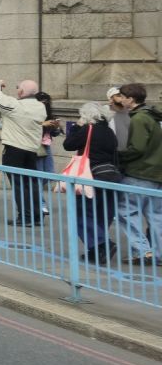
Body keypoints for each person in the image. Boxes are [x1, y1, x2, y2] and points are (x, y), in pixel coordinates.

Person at [0, 79, 48, 227]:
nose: (17, 90)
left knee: (19, 184)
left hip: (14, 149)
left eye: (18, 88)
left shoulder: (15, 106)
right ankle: (37, 216)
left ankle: (25, 217)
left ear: (21, 92)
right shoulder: (40, 107)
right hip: (31, 150)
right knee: (31, 183)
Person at [64, 102, 121, 265]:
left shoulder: (88, 129)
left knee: (82, 214)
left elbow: (68, 145)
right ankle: (97, 252)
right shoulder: (110, 132)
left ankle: (103, 244)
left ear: (87, 116)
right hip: (111, 175)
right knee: (102, 214)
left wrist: (76, 127)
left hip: (92, 176)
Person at [114, 83, 161, 265]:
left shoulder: (139, 119)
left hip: (140, 172)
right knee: (156, 215)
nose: (120, 99)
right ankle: (158, 253)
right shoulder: (152, 117)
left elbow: (137, 148)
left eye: (122, 96)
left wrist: (119, 156)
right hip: (156, 173)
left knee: (126, 210)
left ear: (131, 99)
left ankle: (143, 251)